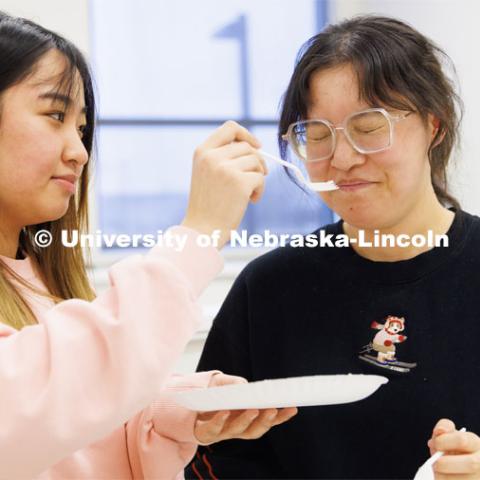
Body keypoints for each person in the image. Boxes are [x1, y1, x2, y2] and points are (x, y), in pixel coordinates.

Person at [0, 12, 297, 480]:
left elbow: (75, 419)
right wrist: (198, 233)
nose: (79, 151)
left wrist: (177, 410)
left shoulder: (38, 277)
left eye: (80, 129)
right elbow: (23, 410)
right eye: (55, 116)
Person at [185, 15, 480, 479]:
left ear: (434, 125)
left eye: (368, 127)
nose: (341, 159)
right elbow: (214, 456)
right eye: (317, 135)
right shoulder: (270, 286)